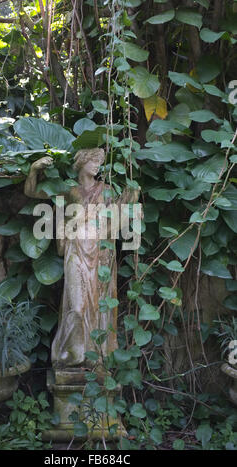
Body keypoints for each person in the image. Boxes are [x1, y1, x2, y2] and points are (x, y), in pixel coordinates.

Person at [24, 148, 139, 370]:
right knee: (76, 305)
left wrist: (130, 196)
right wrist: (34, 169)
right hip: (76, 250)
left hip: (100, 253)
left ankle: (94, 356)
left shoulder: (106, 190)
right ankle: (69, 356)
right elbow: (32, 192)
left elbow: (118, 216)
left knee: (98, 305)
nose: (97, 165)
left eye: (100, 161)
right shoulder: (69, 190)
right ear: (82, 163)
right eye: (93, 160)